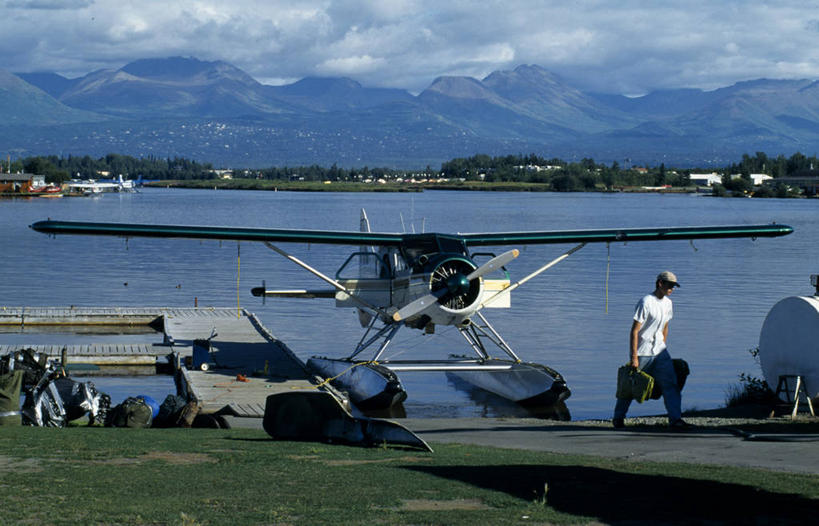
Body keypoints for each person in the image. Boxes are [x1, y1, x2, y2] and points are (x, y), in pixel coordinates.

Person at [613, 271, 692, 430]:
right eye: (669, 285)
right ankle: (618, 418)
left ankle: (675, 419)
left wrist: (662, 345)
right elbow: (635, 331)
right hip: (643, 353)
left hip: (660, 353)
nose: (672, 289)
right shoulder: (646, 302)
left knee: (671, 384)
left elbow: (665, 326)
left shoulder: (668, 303)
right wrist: (634, 356)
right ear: (660, 283)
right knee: (630, 387)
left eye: (674, 286)